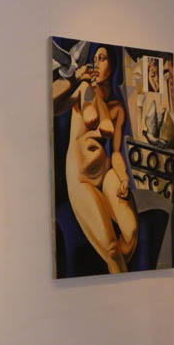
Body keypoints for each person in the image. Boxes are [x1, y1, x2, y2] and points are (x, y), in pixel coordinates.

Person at [53, 45, 138, 273]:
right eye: (95, 58)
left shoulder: (117, 108)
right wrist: (73, 80)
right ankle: (117, 273)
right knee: (111, 250)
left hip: (106, 172)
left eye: (103, 58)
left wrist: (123, 179)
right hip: (81, 177)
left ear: (112, 66)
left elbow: (116, 152)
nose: (97, 63)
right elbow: (50, 104)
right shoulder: (83, 90)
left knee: (131, 232)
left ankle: (118, 274)